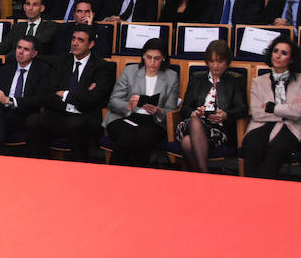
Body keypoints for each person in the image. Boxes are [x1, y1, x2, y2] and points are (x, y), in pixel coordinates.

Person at [26, 24, 113, 161]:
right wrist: (76, 99)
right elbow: (46, 94)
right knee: (34, 121)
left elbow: (93, 99)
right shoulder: (61, 61)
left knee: (76, 126)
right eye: (73, 39)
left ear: (91, 44)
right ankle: (41, 165)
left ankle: (78, 170)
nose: (75, 43)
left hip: (84, 116)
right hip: (59, 113)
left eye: (80, 40)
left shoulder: (101, 66)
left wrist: (65, 95)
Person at [241, 36, 301, 179]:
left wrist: (272, 108)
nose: (278, 55)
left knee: (276, 150)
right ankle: (249, 192)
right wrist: (287, 110)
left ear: (291, 59)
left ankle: (266, 194)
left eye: (284, 53)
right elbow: (257, 113)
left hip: (292, 126)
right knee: (252, 147)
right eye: (275, 51)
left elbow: (298, 113)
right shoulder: (258, 81)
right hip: (261, 125)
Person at [104, 38, 179, 166]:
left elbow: (171, 110)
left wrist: (159, 111)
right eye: (148, 57)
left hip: (153, 121)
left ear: (164, 58)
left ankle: (137, 180)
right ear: (143, 56)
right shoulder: (130, 71)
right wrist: (128, 105)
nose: (152, 62)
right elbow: (113, 101)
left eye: (157, 58)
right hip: (124, 116)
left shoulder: (171, 76)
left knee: (142, 139)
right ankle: (115, 178)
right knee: (124, 138)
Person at [175, 40, 248, 173]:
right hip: (191, 124)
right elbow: (185, 108)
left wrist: (225, 115)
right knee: (195, 122)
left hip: (218, 130)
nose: (215, 66)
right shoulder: (197, 78)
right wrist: (194, 113)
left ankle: (199, 177)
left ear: (227, 62)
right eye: (211, 61)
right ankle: (206, 174)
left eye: (220, 62)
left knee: (187, 142)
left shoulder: (235, 80)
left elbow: (242, 108)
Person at [0, 36, 50, 154]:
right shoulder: (6, 68)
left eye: (26, 49)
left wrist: (10, 100)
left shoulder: (42, 71)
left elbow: (39, 99)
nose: (20, 52)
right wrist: (2, 100)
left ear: (34, 54)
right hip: (2, 110)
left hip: (25, 112)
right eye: (19, 47)